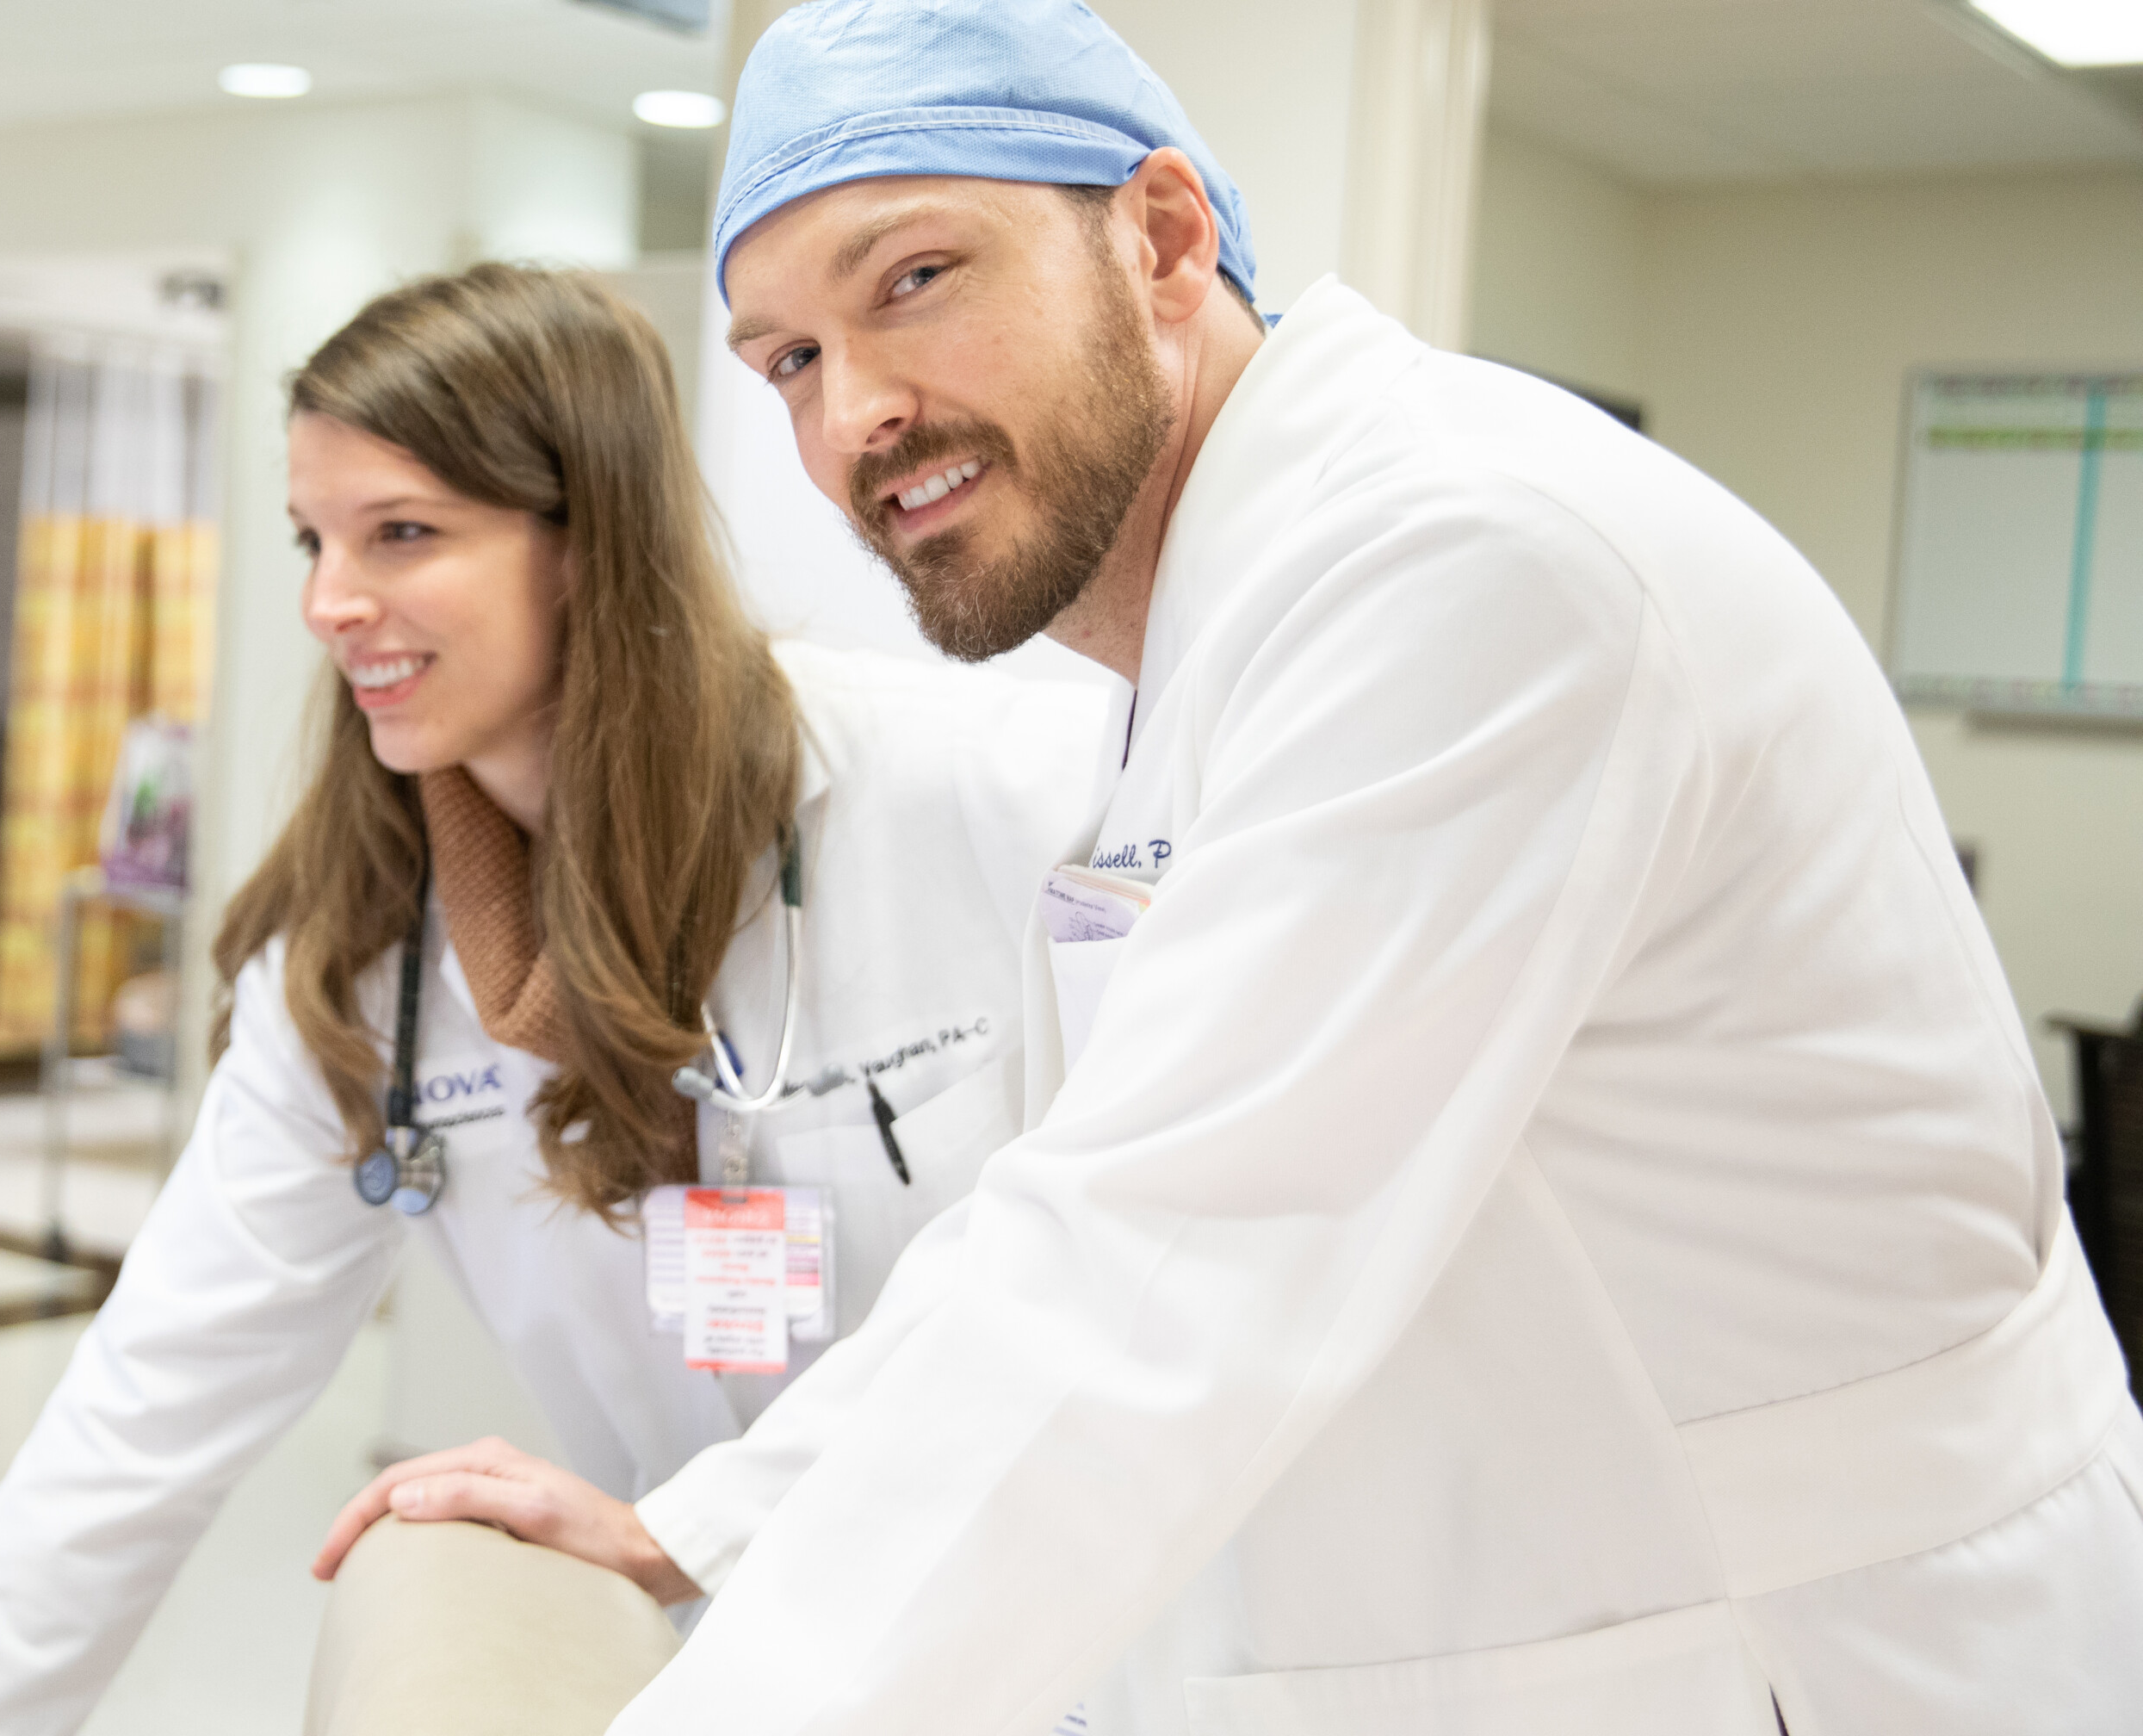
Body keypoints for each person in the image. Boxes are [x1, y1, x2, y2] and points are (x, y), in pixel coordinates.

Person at [344, 5, 2143, 1733]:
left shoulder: (1465, 564)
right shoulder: (1201, 641)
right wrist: (706, 1524)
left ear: (1164, 238)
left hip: (1819, 1651)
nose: (852, 416)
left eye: (917, 279)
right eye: (791, 360)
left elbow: (1158, 1270)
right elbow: (1076, 1212)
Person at [0, 263, 1112, 1736]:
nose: (331, 602)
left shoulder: (985, 795)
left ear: (588, 541)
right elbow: (156, 1397)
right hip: (720, 1666)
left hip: (1071, 1648)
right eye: (313, 537)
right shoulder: (360, 961)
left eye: (403, 533)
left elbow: (1096, 1272)